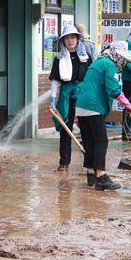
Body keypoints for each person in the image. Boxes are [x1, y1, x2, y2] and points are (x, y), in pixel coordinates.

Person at [74, 40, 131, 190]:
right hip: (93, 107)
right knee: (101, 141)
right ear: (117, 55)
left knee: (90, 141)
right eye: (123, 60)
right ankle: (101, 176)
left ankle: (91, 175)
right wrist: (127, 103)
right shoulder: (109, 64)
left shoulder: (99, 62)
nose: (123, 63)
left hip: (82, 106)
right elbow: (113, 88)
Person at [49, 24, 93, 172]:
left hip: (83, 93)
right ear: (63, 41)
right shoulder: (59, 58)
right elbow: (55, 79)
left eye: (72, 37)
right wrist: (52, 99)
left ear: (77, 39)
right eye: (67, 38)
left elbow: (91, 77)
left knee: (86, 126)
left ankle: (90, 161)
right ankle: (64, 161)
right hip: (66, 92)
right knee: (65, 127)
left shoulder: (85, 56)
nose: (70, 41)